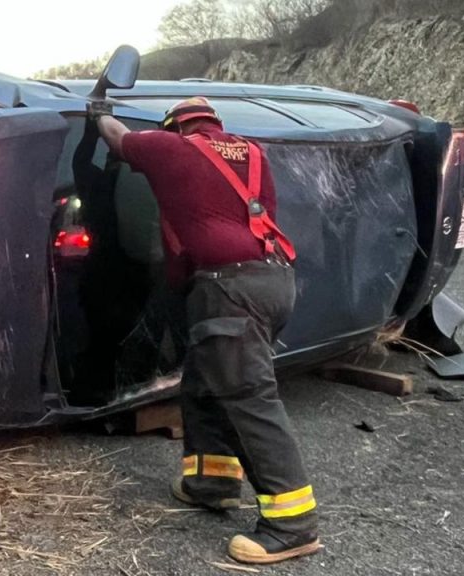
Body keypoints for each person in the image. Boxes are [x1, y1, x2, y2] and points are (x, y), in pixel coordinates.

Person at [92, 97, 320, 565]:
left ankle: (293, 525)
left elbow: (119, 139)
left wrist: (99, 114)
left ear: (174, 128)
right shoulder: (251, 152)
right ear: (215, 123)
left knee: (247, 397)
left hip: (230, 288)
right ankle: (211, 481)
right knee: (203, 383)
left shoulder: (172, 148)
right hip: (273, 280)